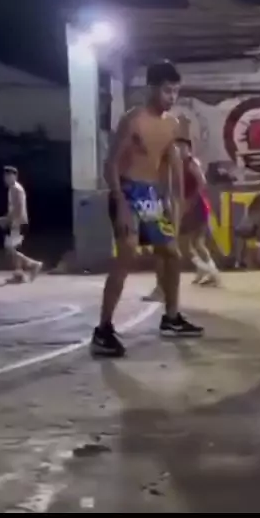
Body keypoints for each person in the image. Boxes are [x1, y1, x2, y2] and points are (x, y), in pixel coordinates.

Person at [91, 60, 203, 357]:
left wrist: (172, 203)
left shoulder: (172, 124)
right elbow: (111, 165)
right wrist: (120, 203)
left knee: (172, 254)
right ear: (151, 88)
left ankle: (172, 318)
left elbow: (168, 166)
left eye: (176, 91)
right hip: (127, 191)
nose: (172, 97)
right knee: (126, 255)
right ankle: (103, 330)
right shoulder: (133, 120)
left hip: (151, 195)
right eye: (167, 90)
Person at [177, 138, 220, 286]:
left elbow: (202, 182)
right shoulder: (178, 165)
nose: (179, 150)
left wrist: (192, 200)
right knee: (187, 243)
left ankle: (212, 272)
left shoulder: (192, 163)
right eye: (177, 147)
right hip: (186, 205)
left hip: (197, 205)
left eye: (182, 147)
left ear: (189, 149)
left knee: (197, 242)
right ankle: (203, 269)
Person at [0, 166, 42, 283]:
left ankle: (34, 264)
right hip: (16, 222)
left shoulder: (16, 189)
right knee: (14, 249)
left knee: (10, 250)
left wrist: (9, 220)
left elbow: (19, 208)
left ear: (15, 176)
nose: (6, 179)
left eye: (9, 176)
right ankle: (19, 275)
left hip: (18, 222)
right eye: (5, 176)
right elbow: (13, 208)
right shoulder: (12, 189)